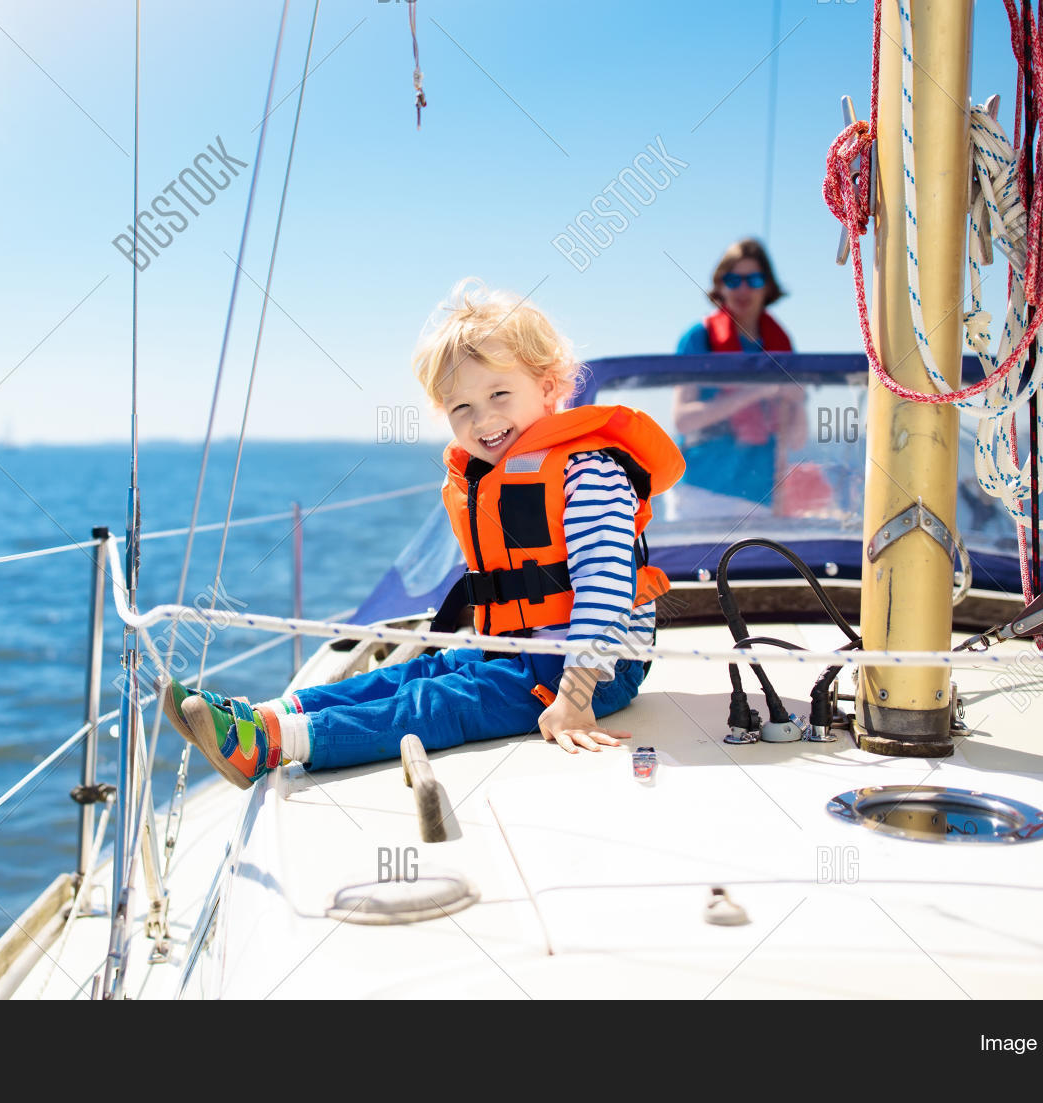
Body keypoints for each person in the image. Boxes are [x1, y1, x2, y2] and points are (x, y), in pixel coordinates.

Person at [158, 280, 686, 789]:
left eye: (500, 393)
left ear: (549, 387)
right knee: (411, 674)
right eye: (463, 408)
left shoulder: (587, 470)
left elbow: (607, 583)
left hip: (596, 670)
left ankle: (277, 742)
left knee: (439, 704)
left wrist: (575, 692)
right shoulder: (497, 469)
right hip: (514, 649)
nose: (484, 419)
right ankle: (262, 716)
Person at [670, 239, 805, 511]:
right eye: (733, 280)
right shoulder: (699, 338)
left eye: (753, 280)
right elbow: (683, 420)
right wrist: (757, 390)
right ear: (720, 286)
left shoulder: (780, 343)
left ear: (767, 287)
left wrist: (797, 401)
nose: (743, 289)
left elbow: (796, 439)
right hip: (701, 494)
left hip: (762, 499)